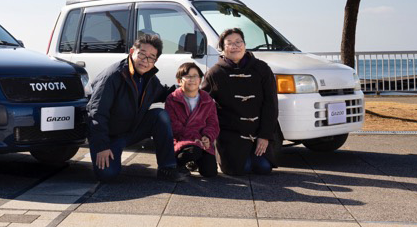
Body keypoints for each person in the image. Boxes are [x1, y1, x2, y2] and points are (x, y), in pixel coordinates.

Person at [86, 33, 186, 182]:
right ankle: (109, 153)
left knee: (160, 116)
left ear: (155, 60)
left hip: (131, 131)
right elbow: (96, 113)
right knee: (108, 175)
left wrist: (187, 88)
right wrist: (102, 146)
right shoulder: (113, 76)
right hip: (110, 137)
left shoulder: (149, 77)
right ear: (132, 52)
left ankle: (167, 168)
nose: (145, 61)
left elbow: (163, 93)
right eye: (142, 54)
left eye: (151, 57)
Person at [201, 28, 278, 176]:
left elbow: (271, 104)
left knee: (263, 167)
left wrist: (265, 135)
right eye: (229, 43)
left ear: (244, 44)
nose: (235, 46)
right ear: (223, 48)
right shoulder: (215, 73)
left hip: (257, 134)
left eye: (238, 42)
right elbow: (202, 102)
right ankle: (224, 158)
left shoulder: (262, 69)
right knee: (243, 169)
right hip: (230, 136)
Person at [165, 62, 220, 177]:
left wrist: (207, 137)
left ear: (200, 80)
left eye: (196, 76)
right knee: (193, 151)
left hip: (202, 142)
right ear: (179, 81)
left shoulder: (207, 99)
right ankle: (175, 163)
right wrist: (195, 139)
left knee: (210, 172)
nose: (192, 80)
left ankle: (192, 162)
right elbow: (173, 125)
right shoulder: (172, 99)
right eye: (188, 76)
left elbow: (213, 123)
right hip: (181, 140)